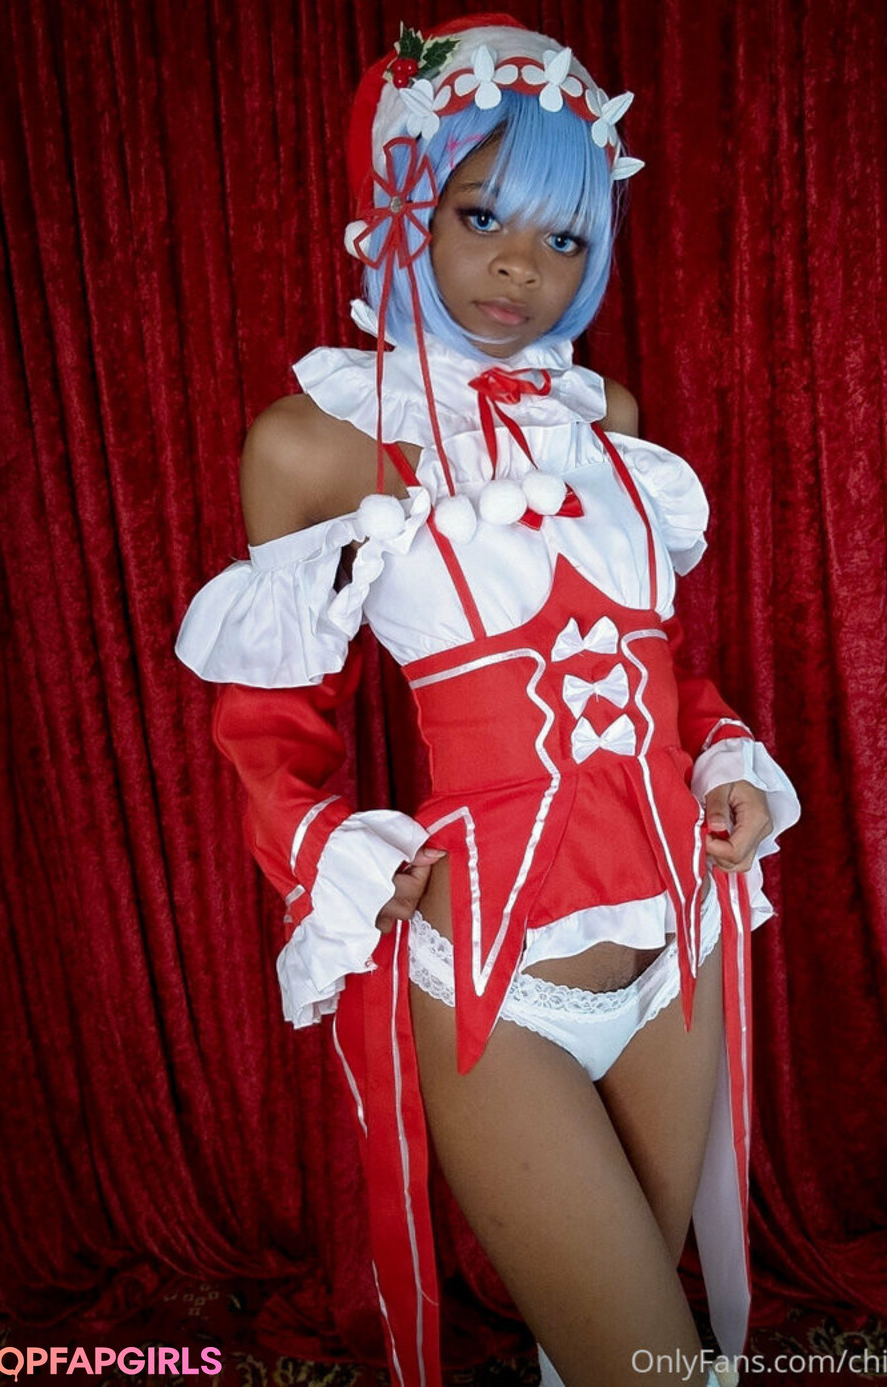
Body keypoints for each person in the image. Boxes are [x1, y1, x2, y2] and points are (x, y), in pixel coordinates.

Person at [176, 15, 799, 1387]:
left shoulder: (605, 420)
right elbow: (267, 731)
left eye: (566, 237)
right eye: (482, 215)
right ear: (405, 203)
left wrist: (726, 765)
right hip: (497, 988)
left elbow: (662, 672)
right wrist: (331, 852)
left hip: (682, 946)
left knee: (614, 1360)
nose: (524, 265)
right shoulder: (317, 444)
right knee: (648, 1367)